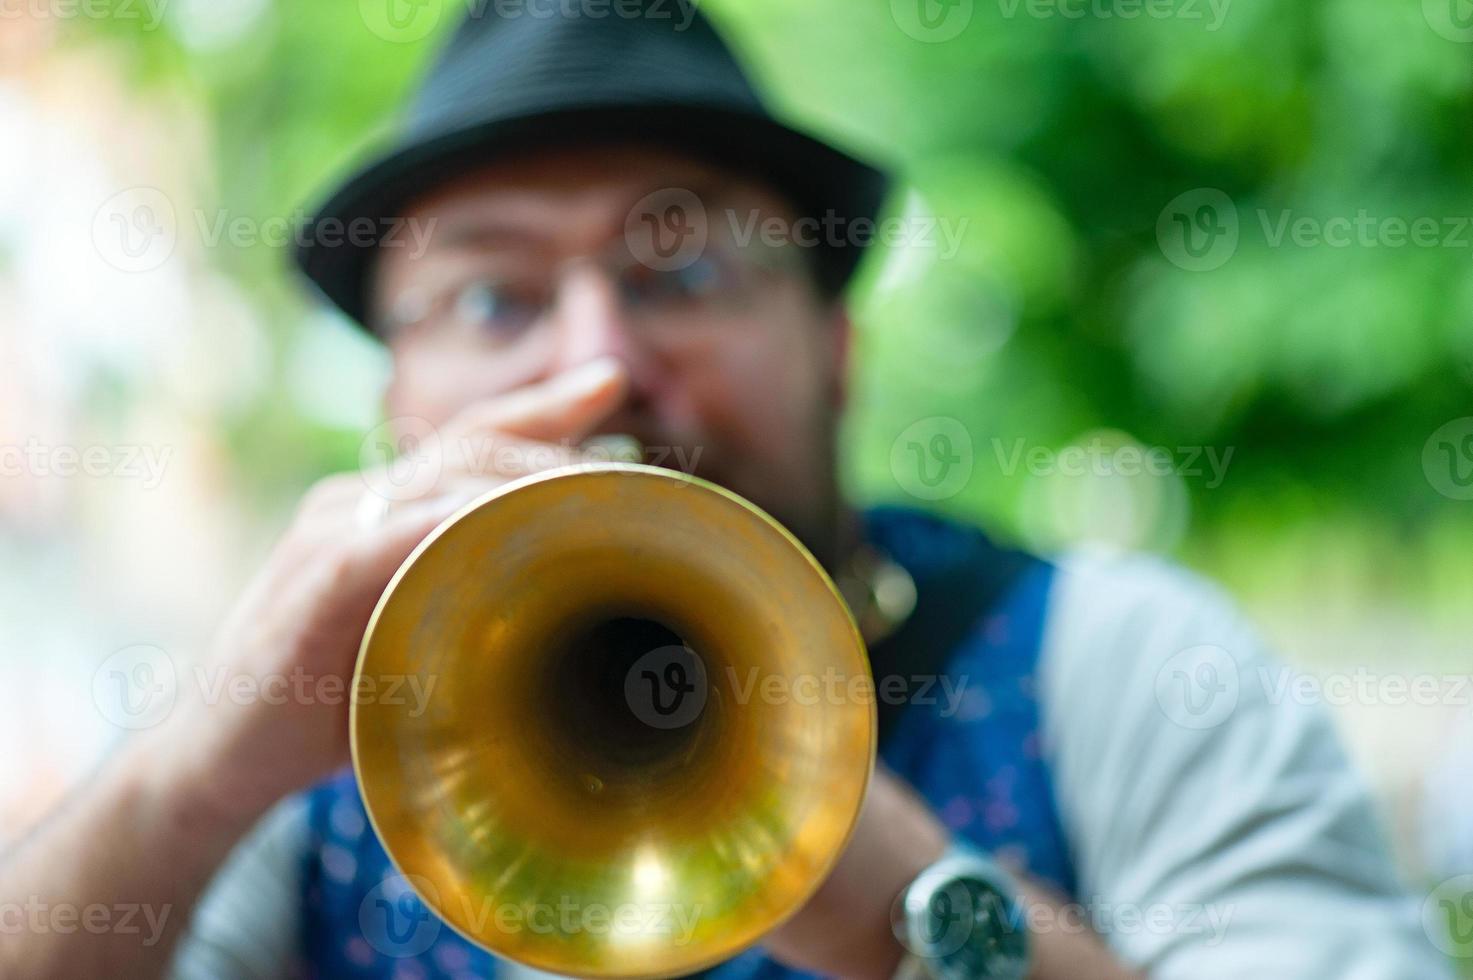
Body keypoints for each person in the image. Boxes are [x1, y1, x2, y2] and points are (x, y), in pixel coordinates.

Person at [1, 3, 1448, 978]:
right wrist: (191, 772)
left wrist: (902, 900)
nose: (601, 362)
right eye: (495, 300)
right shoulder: (292, 760)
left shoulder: (1116, 664)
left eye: (680, 271)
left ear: (835, 350)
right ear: (396, 403)